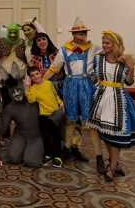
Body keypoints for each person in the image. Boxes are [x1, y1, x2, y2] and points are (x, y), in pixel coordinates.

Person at [87, 30, 135, 182]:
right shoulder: (98, 59)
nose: (104, 45)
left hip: (118, 99)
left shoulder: (125, 60)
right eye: (103, 42)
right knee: (104, 133)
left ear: (115, 44)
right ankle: (114, 163)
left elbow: (129, 82)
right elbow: (93, 76)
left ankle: (112, 167)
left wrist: (131, 68)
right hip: (102, 98)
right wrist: (97, 88)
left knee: (115, 135)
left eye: (107, 43)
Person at [44, 17, 103, 167]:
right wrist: (41, 82)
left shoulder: (94, 48)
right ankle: (68, 149)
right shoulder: (64, 49)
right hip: (70, 85)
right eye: (79, 33)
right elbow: (54, 68)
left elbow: (107, 57)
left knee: (87, 121)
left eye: (84, 33)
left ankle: (84, 150)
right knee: (70, 120)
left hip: (86, 85)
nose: (82, 35)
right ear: (73, 35)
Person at [26, 67, 64, 168]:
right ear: (30, 78)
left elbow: (56, 95)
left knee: (56, 136)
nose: (35, 77)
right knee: (46, 136)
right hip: (43, 116)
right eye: (32, 76)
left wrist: (61, 103)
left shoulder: (49, 84)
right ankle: (48, 154)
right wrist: (27, 87)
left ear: (41, 73)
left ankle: (57, 156)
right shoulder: (33, 89)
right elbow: (30, 100)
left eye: (37, 74)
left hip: (55, 114)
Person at [2, 85, 44, 168]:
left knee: (31, 162)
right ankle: (23, 149)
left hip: (35, 136)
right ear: (10, 95)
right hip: (20, 135)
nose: (17, 94)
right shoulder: (9, 107)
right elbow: (3, 128)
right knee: (13, 159)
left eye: (18, 90)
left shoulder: (34, 100)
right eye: (13, 92)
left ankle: (33, 150)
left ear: (23, 90)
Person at [0, 24, 26, 106]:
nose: (13, 35)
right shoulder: (0, 42)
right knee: (7, 99)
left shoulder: (22, 42)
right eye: (11, 32)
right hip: (4, 75)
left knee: (20, 97)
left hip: (19, 75)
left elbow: (24, 57)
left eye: (15, 32)